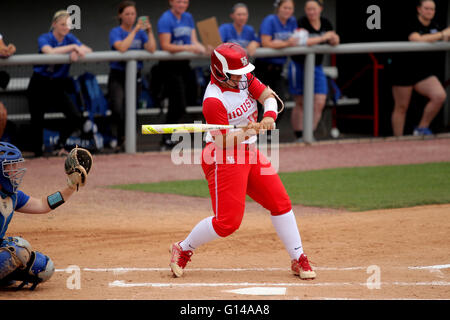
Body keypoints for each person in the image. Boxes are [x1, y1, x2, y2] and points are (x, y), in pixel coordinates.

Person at [168, 43, 316, 281]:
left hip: (248, 151)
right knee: (227, 223)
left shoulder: (244, 77)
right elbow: (223, 142)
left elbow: (268, 96)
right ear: (220, 73)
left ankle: (298, 258)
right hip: (222, 155)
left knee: (280, 202)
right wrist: (249, 131)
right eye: (235, 75)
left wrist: (267, 117)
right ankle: (183, 248)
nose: (241, 78)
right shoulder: (213, 101)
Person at [0, 143, 88, 290]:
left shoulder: (12, 196)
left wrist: (71, 186)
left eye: (15, 165)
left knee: (43, 268)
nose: (15, 170)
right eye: (10, 166)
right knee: (20, 249)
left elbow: (43, 205)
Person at [27, 10, 92, 157]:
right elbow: (49, 52)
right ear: (54, 24)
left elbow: (87, 49)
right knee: (37, 119)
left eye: (68, 24)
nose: (65, 27)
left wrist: (77, 49)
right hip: (39, 83)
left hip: (57, 85)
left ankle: (60, 144)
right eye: (62, 24)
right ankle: (38, 153)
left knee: (74, 116)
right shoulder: (45, 37)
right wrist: (72, 49)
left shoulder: (70, 38)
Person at [390, 0, 450, 137]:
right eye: (427, 8)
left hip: (422, 71)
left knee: (439, 96)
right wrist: (442, 34)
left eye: (432, 9)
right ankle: (397, 140)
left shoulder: (435, 25)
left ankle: (422, 128)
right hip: (403, 70)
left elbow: (443, 38)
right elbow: (416, 38)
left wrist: (446, 34)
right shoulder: (410, 22)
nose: (430, 12)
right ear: (419, 9)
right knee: (401, 107)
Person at [157, 0, 207, 150]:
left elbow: (194, 41)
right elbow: (166, 45)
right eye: (178, 1)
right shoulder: (165, 18)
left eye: (185, 1)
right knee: (177, 103)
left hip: (185, 65)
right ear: (171, 2)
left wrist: (202, 48)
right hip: (169, 66)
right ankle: (166, 138)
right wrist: (189, 47)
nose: (182, 4)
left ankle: (182, 135)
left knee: (191, 98)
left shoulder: (188, 17)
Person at [108, 0, 156, 149]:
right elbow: (122, 48)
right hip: (118, 75)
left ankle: (126, 140)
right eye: (127, 13)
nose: (130, 17)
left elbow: (152, 49)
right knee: (117, 108)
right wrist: (134, 31)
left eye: (133, 14)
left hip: (135, 75)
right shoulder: (116, 32)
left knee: (131, 109)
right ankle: (120, 138)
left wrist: (149, 31)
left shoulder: (141, 33)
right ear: (120, 15)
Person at [289, 0, 339, 142]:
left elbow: (334, 39)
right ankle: (299, 136)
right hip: (299, 64)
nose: (311, 12)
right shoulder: (301, 22)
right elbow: (302, 42)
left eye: (314, 9)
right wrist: (323, 37)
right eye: (309, 9)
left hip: (316, 66)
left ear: (320, 9)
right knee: (300, 101)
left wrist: (334, 39)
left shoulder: (326, 22)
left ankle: (309, 133)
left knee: (319, 101)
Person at [255, 0, 298, 98]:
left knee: (279, 104)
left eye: (290, 8)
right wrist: (287, 43)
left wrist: (278, 43)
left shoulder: (292, 21)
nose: (287, 11)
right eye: (284, 8)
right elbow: (266, 43)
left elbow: (295, 41)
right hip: (264, 67)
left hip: (279, 68)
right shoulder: (270, 20)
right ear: (278, 8)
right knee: (260, 103)